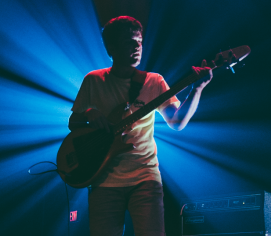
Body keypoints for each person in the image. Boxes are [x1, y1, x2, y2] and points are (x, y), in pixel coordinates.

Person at [69, 16, 212, 236]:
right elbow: (73, 122)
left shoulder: (153, 81)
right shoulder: (93, 80)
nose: (137, 47)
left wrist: (197, 89)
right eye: (129, 42)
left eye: (139, 41)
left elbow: (177, 122)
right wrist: (89, 113)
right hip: (103, 178)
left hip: (145, 178)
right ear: (111, 47)